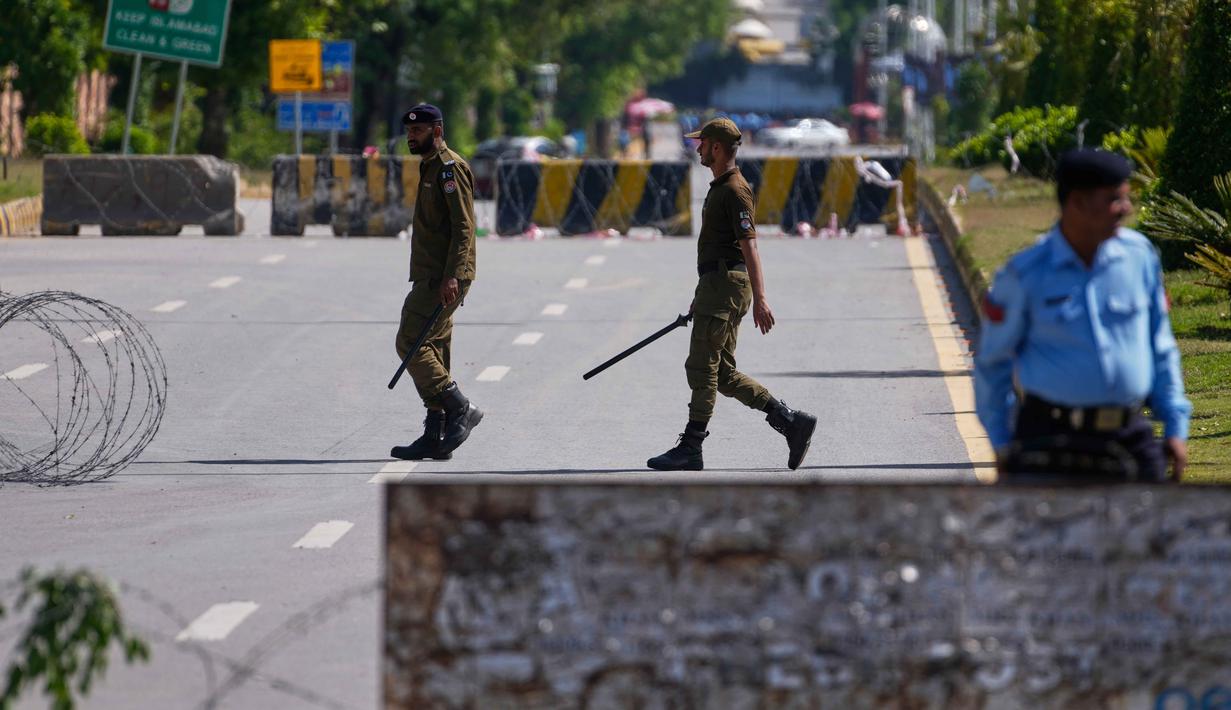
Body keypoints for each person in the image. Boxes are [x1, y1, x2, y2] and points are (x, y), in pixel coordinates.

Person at [974, 149, 1192, 481]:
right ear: (1077, 203)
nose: (1127, 209)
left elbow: (1160, 347)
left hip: (1127, 437)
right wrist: (1002, 442)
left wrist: (1176, 427)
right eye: (1115, 200)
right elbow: (993, 364)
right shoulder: (1025, 275)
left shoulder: (1140, 258)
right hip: (1048, 441)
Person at [648, 117, 818, 471]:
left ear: (717, 147)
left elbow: (749, 246)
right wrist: (704, 293)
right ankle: (790, 422)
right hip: (717, 287)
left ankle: (692, 447)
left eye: (703, 143)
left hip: (726, 287)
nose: (698, 148)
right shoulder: (721, 186)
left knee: (702, 368)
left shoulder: (735, 190)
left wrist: (761, 298)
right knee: (722, 374)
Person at [390, 104, 482, 461]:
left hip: (443, 277)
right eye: (410, 131)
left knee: (410, 341)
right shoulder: (429, 167)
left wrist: (453, 276)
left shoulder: (449, 169)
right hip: (432, 273)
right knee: (435, 347)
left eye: (420, 131)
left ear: (437, 130)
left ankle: (459, 406)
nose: (412, 136)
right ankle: (435, 430)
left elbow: (464, 227)